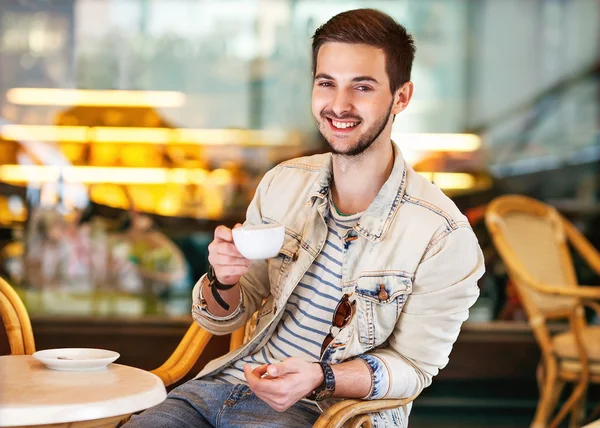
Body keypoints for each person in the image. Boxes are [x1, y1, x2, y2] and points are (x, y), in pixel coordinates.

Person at [125, 8, 484, 428]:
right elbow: (227, 316)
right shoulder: (282, 183)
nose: (339, 105)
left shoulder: (442, 234)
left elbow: (414, 368)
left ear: (401, 97)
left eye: (362, 87)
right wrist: (223, 278)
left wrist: (322, 376)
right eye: (326, 83)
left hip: (321, 413)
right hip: (218, 388)